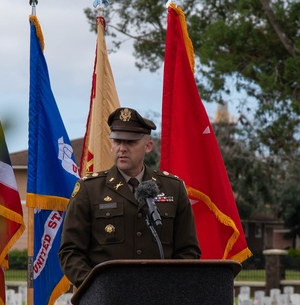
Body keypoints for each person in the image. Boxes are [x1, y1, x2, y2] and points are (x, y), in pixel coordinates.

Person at [58, 107, 200, 289]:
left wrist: (171, 286)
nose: (122, 148)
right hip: (106, 300)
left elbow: (188, 250)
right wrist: (96, 288)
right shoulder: (89, 189)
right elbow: (71, 252)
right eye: (117, 141)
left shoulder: (173, 188)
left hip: (160, 298)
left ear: (148, 146)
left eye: (130, 142)